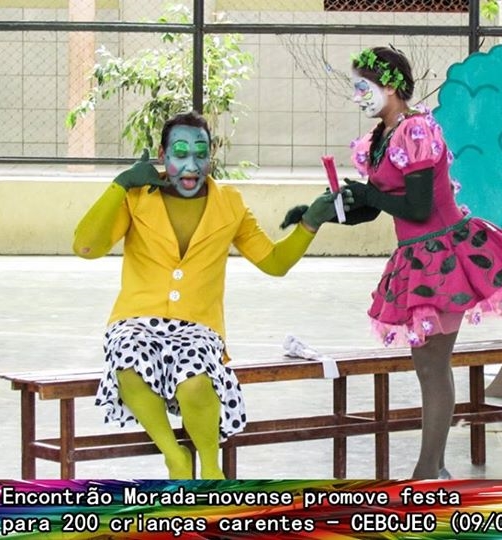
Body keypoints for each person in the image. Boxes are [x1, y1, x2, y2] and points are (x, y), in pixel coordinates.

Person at [283, 46, 502, 479]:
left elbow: (419, 206)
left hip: (445, 254)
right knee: (429, 364)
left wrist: (370, 195)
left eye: (363, 88)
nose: (357, 97)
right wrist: (318, 213)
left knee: (431, 364)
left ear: (390, 86)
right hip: (418, 256)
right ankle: (433, 469)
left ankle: (428, 471)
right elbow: (373, 209)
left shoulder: (417, 130)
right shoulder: (379, 139)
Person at [73, 110, 343, 479]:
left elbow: (274, 262)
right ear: (162, 154)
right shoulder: (137, 197)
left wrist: (310, 222)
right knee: (128, 364)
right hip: (135, 320)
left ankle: (212, 472)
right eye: (180, 153)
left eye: (200, 154)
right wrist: (120, 184)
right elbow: (85, 247)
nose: (191, 165)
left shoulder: (229, 204)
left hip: (198, 325)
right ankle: (176, 457)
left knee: (195, 380)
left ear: (211, 155)